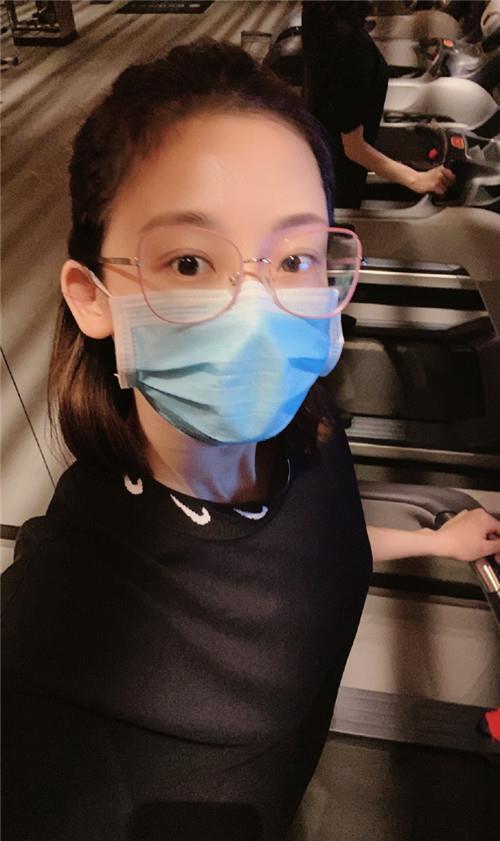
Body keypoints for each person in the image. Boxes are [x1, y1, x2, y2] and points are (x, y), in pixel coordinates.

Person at [2, 39, 499, 841]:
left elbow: (312, 543)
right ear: (92, 297)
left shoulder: (307, 431)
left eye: (295, 257)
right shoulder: (53, 657)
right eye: (189, 262)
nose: (256, 310)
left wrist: (435, 542)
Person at [301, 1, 456, 208]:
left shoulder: (318, 11)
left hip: (315, 161)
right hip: (336, 181)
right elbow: (353, 148)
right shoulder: (352, 46)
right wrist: (416, 179)